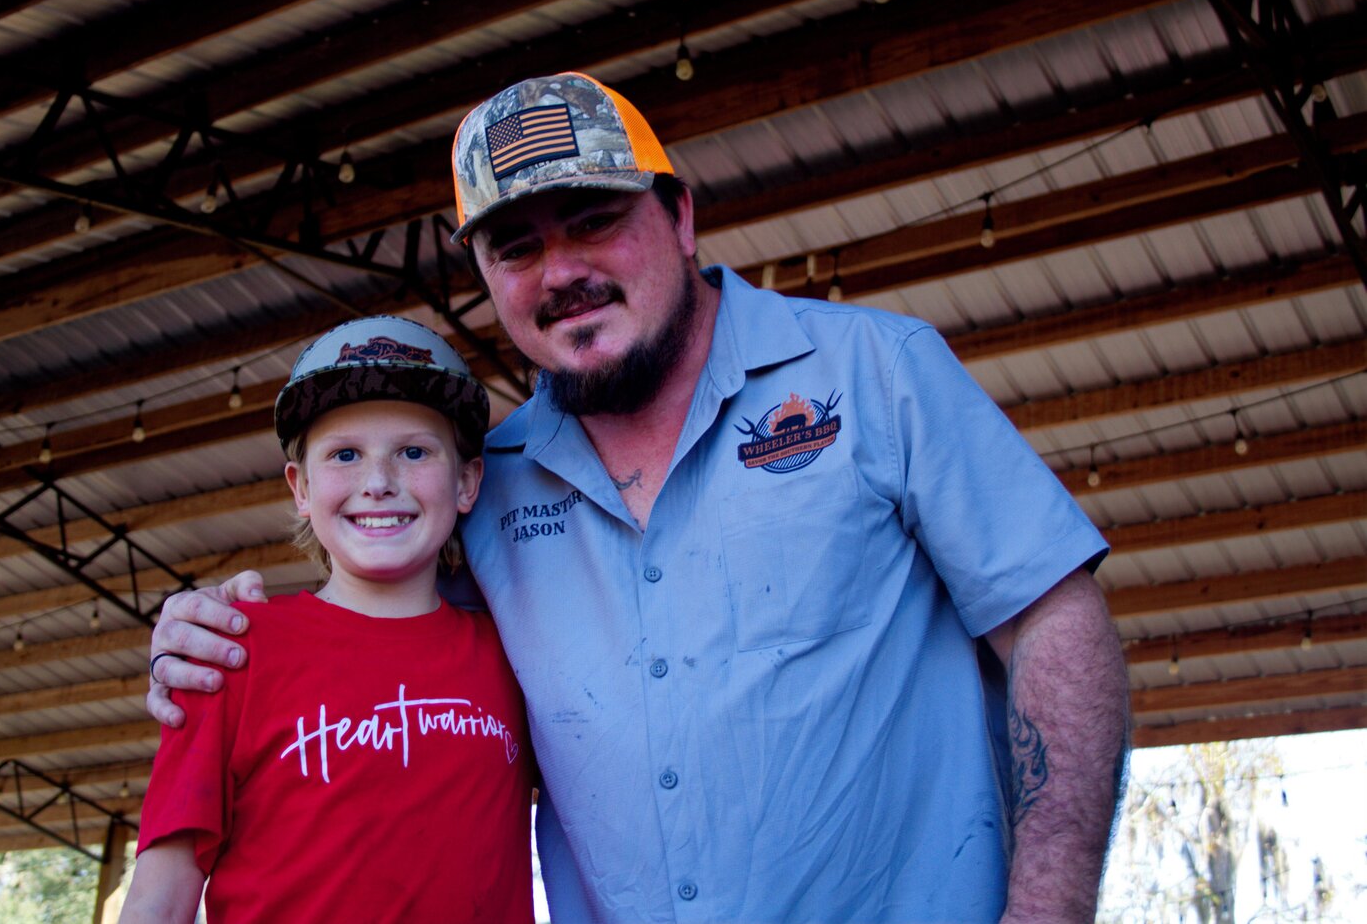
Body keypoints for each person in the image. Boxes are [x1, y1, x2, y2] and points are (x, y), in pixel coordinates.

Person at [148, 72, 1130, 923]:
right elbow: (379, 645)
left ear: (681, 216)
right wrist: (213, 635)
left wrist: (1046, 909)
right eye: (516, 248)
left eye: (593, 220)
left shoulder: (875, 372)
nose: (562, 272)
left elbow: (1053, 618)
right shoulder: (490, 481)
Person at [124, 316, 534, 924]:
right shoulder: (227, 650)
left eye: (414, 451)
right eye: (345, 454)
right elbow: (159, 898)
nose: (378, 483)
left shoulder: (520, 656)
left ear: (467, 481)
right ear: (301, 488)